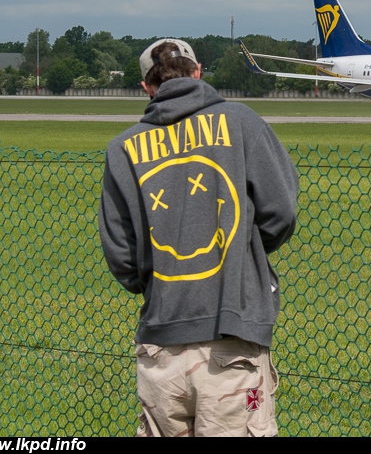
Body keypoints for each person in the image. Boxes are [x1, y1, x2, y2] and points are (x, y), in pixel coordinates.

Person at [99, 39, 299, 437]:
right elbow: (281, 210)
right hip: (232, 338)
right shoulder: (240, 121)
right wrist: (240, 252)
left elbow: (122, 255)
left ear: (146, 87)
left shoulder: (123, 148)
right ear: (198, 71)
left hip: (161, 343)